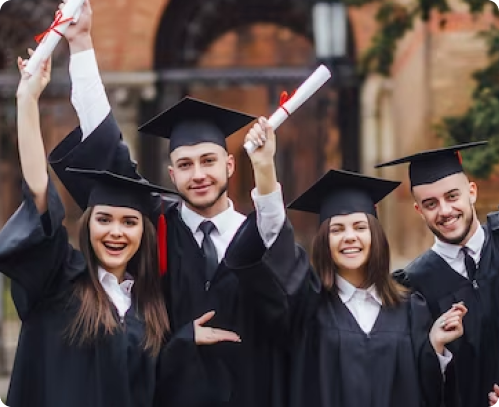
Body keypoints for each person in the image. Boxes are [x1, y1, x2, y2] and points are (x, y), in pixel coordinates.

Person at [46, 1, 289, 406]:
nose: (198, 175)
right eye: (185, 165)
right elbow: (108, 151)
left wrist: (265, 171)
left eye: (209, 161)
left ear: (229, 165)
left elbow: (275, 237)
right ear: (171, 175)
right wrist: (82, 44)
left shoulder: (260, 236)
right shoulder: (156, 225)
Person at [1, 49, 241, 407]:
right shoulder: (60, 282)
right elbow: (38, 192)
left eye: (130, 222)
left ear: (144, 232)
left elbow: (148, 383)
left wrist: (184, 340)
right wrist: (27, 98)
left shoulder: (145, 308)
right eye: (104, 219)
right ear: (87, 224)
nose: (116, 232)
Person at [223, 117, 467, 407]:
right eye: (337, 230)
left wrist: (436, 347)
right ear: (324, 242)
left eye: (360, 227)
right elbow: (279, 247)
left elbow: (425, 392)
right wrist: (264, 168)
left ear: (375, 236)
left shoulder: (412, 310)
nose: (349, 237)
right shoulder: (307, 308)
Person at [376, 142, 499, 407]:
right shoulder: (411, 287)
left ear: (472, 192)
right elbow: (411, 383)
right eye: (431, 204)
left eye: (452, 196)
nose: (444, 211)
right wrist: (435, 351)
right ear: (419, 211)